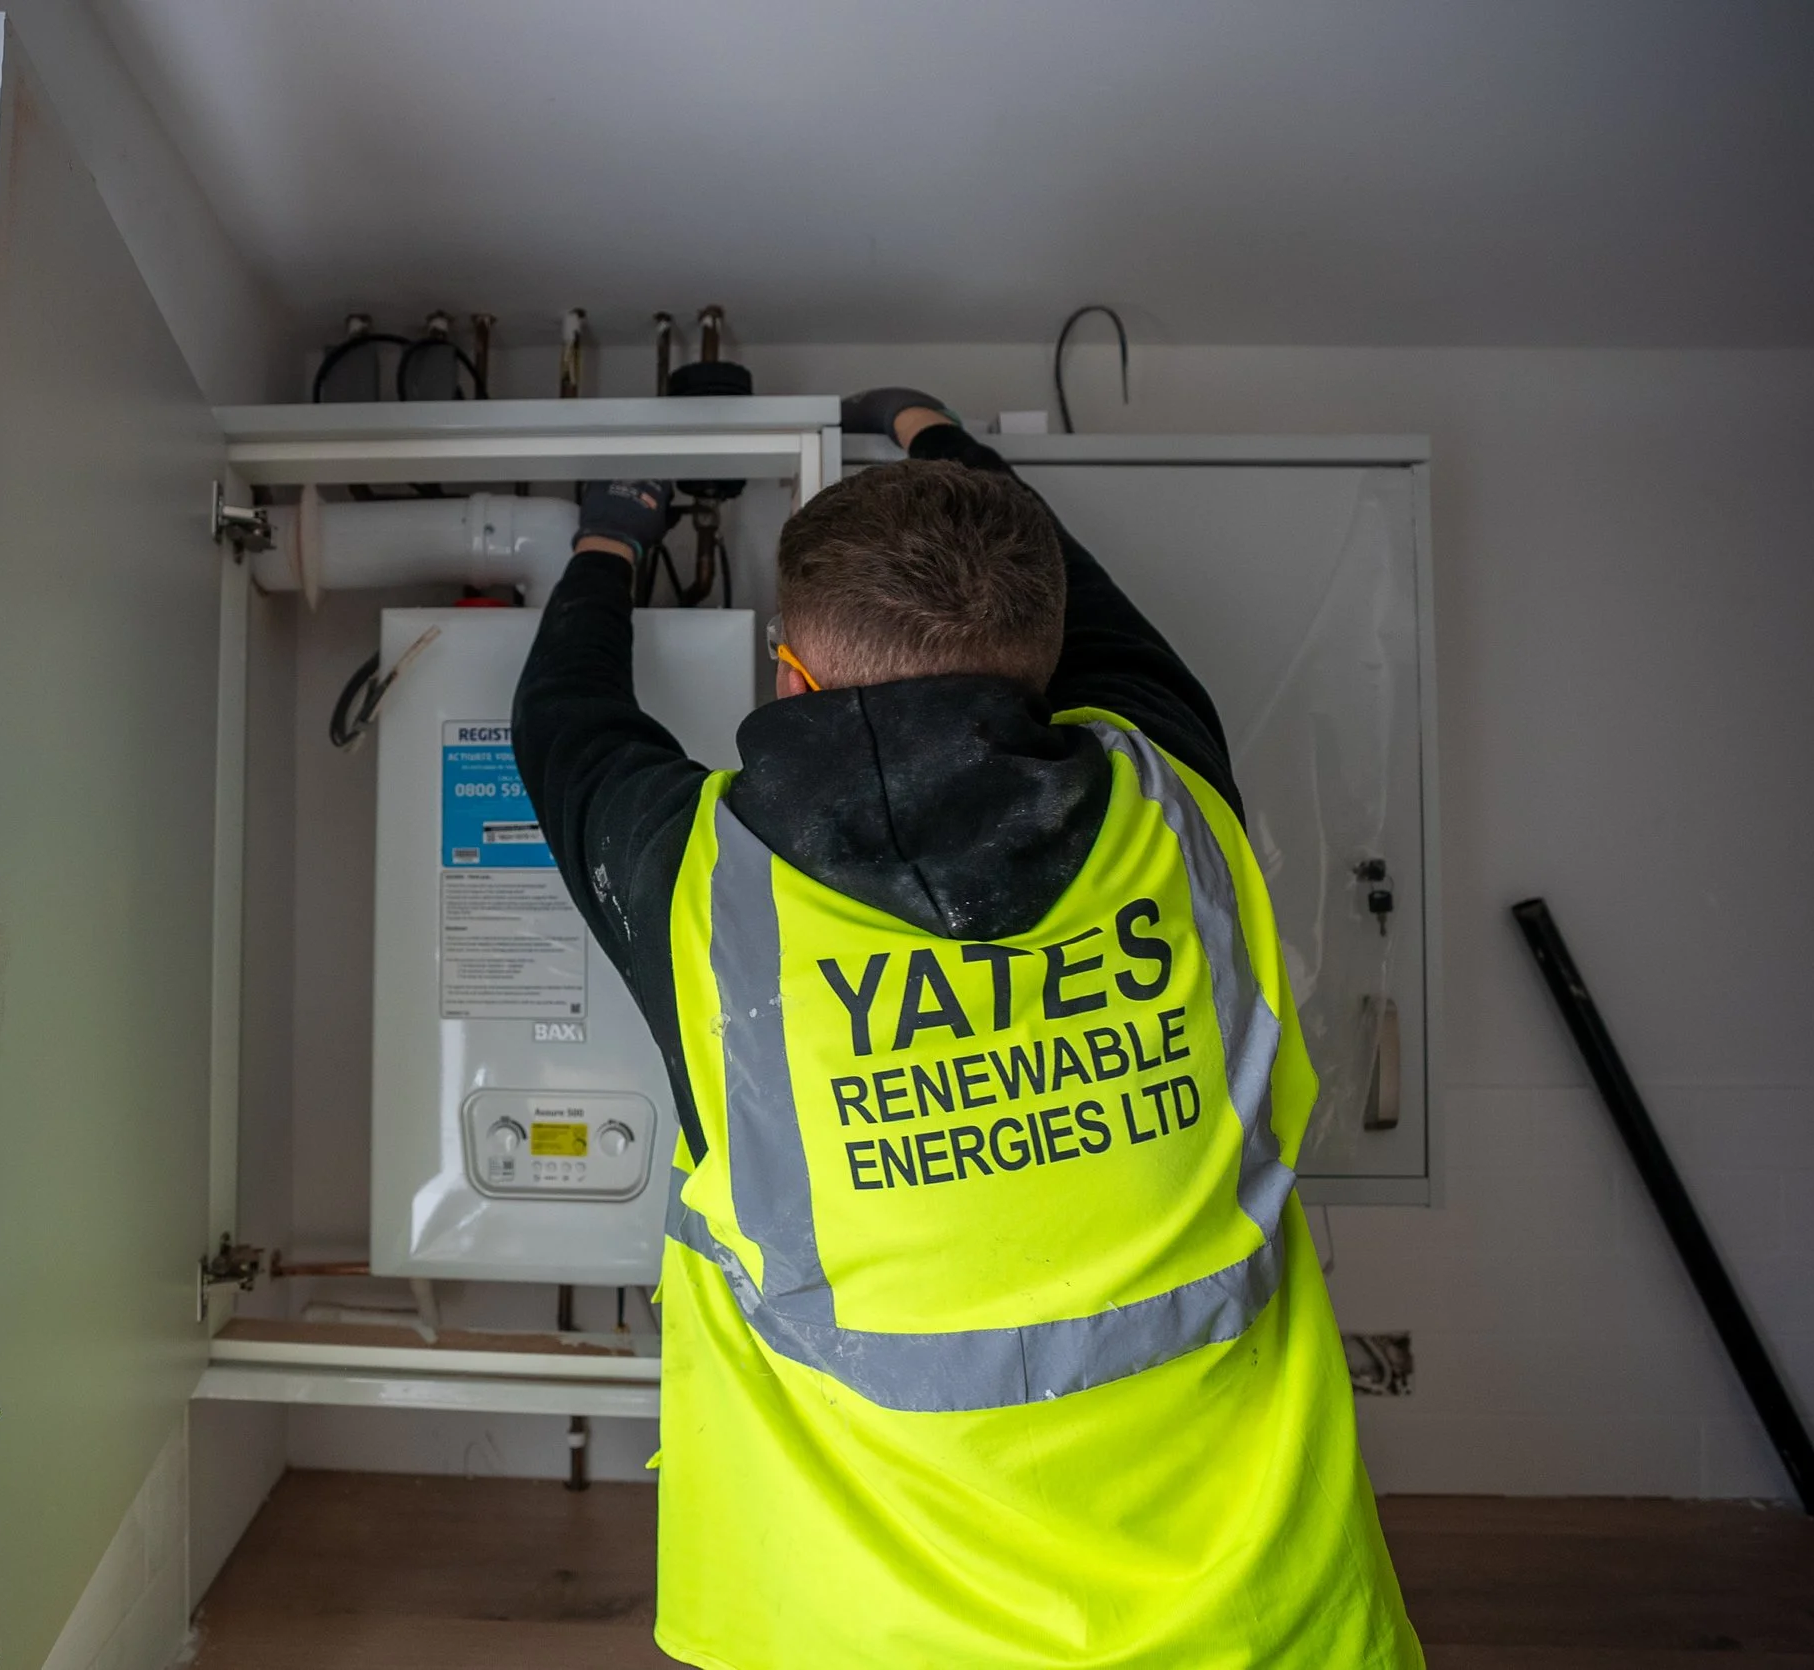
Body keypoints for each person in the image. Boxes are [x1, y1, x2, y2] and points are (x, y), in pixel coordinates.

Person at [511, 389, 1422, 1669]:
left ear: (789, 673)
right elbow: (1097, 612)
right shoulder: (1172, 795)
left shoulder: (703, 888)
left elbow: (565, 726)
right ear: (1048, 665)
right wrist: (935, 435)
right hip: (1254, 1621)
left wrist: (610, 539)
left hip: (866, 1627)